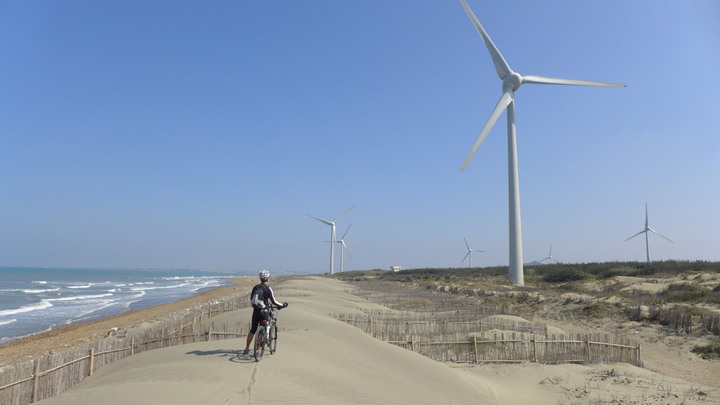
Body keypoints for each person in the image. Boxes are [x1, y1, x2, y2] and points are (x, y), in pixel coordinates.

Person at [243, 270, 288, 355]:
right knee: (262, 331)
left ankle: (246, 348)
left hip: (256, 311)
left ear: (260, 278)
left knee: (253, 330)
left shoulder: (255, 287)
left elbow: (251, 299)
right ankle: (258, 349)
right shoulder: (268, 289)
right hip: (264, 312)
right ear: (267, 279)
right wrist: (282, 305)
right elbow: (274, 302)